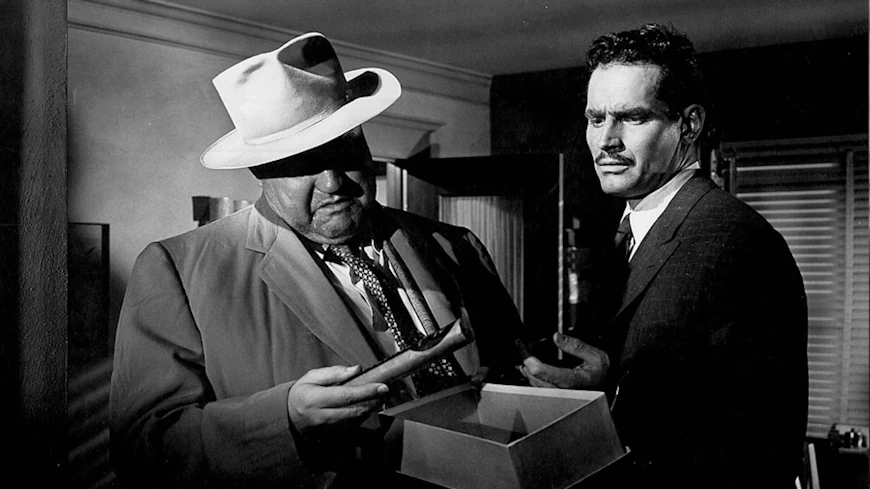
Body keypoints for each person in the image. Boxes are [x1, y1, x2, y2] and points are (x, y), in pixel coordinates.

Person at [109, 32, 524, 488]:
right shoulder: (179, 271)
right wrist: (283, 420)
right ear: (260, 169)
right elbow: (143, 450)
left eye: (344, 150)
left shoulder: (455, 245)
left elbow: (514, 374)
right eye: (301, 163)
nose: (332, 182)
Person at [520, 24, 808, 488]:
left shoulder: (736, 243)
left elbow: (758, 446)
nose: (606, 140)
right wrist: (602, 384)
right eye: (596, 118)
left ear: (688, 125)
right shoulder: (629, 233)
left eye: (632, 118)